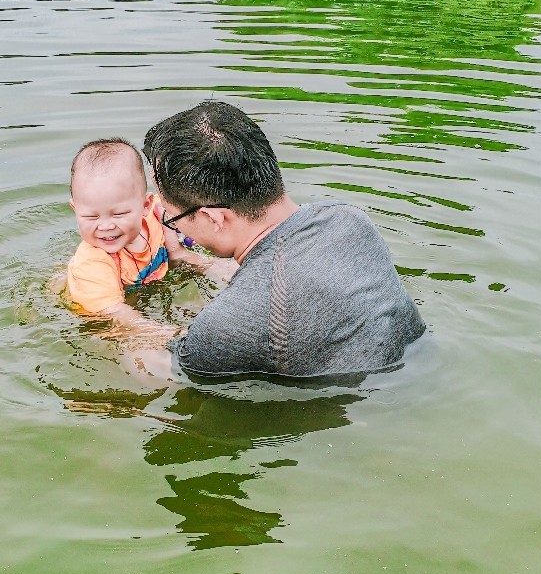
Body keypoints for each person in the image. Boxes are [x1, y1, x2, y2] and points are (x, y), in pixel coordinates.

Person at [143, 101, 426, 377]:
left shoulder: (226, 325)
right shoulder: (348, 219)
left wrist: (109, 312)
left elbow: (164, 367)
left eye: (171, 217)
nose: (172, 225)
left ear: (214, 218)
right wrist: (187, 257)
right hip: (417, 370)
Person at [65, 138, 171, 324]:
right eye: (91, 217)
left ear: (144, 205)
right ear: (76, 210)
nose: (105, 226)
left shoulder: (156, 214)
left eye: (119, 214)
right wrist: (164, 333)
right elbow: (116, 313)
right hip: (100, 318)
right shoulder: (93, 261)